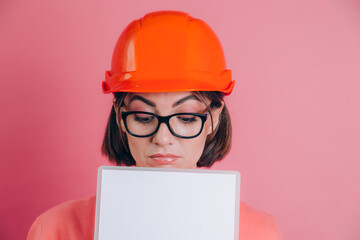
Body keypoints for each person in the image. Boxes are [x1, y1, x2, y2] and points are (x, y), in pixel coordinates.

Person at [27, 10, 284, 240]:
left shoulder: (259, 234)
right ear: (119, 116)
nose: (162, 138)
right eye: (143, 116)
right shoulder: (54, 230)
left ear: (213, 119)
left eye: (186, 118)